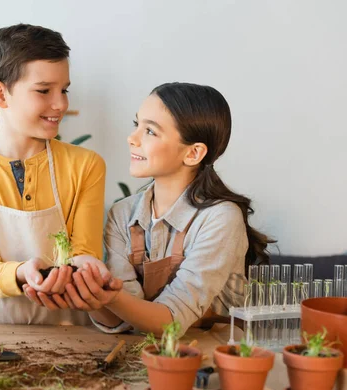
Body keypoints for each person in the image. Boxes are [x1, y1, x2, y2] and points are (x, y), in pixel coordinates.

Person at [24, 82, 274, 336]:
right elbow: (121, 321)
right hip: (145, 355)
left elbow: (171, 322)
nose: (132, 139)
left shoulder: (220, 218)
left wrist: (109, 297)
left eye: (151, 131)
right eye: (137, 125)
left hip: (215, 359)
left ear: (193, 153)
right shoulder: (123, 214)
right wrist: (87, 294)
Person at [0, 23, 106, 325]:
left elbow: (83, 251)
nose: (61, 104)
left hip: (70, 338)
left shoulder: (86, 166)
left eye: (64, 90)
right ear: (0, 94)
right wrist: (22, 272)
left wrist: (85, 267)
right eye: (44, 91)